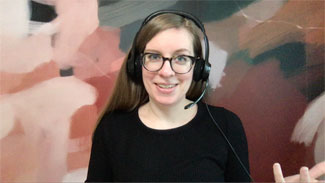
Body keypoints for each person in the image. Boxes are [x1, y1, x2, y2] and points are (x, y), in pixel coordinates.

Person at [85, 10, 325, 182]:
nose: (166, 71)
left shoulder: (225, 126)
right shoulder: (113, 129)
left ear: (199, 69)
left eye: (181, 58)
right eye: (154, 57)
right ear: (138, 65)